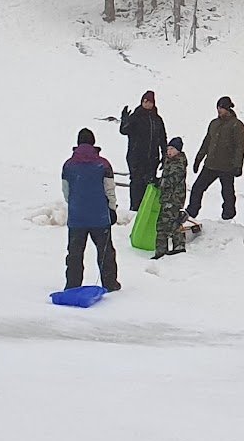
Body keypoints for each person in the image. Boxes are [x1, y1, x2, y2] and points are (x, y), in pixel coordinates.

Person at [61, 126, 122, 293]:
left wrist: (75, 204)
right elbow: (109, 188)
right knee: (105, 253)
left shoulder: (68, 165)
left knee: (75, 253)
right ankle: (110, 283)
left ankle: (73, 285)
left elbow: (66, 192)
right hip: (99, 217)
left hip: (77, 217)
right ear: (93, 143)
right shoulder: (103, 164)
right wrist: (111, 208)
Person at [187, 95, 244, 220]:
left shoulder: (237, 125)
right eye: (218, 107)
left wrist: (238, 165)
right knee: (197, 188)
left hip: (227, 166)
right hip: (210, 164)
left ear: (228, 109)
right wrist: (199, 158)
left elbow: (240, 147)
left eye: (222, 108)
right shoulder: (214, 123)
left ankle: (228, 215)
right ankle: (191, 212)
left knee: (227, 192)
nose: (219, 110)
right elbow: (207, 141)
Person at [118, 91, 166, 216]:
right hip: (136, 157)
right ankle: (134, 210)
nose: (147, 104)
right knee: (136, 183)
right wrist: (124, 120)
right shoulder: (136, 116)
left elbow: (162, 138)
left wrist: (165, 154)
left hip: (152, 158)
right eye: (145, 101)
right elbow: (124, 131)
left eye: (149, 101)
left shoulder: (157, 119)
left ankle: (147, 211)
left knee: (149, 184)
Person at [155, 136, 189, 256]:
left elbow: (173, 180)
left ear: (178, 150)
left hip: (174, 198)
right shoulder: (170, 161)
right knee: (168, 223)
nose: (169, 151)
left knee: (168, 223)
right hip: (168, 197)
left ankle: (173, 247)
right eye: (168, 148)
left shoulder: (178, 163)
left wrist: (160, 182)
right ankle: (166, 249)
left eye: (172, 149)